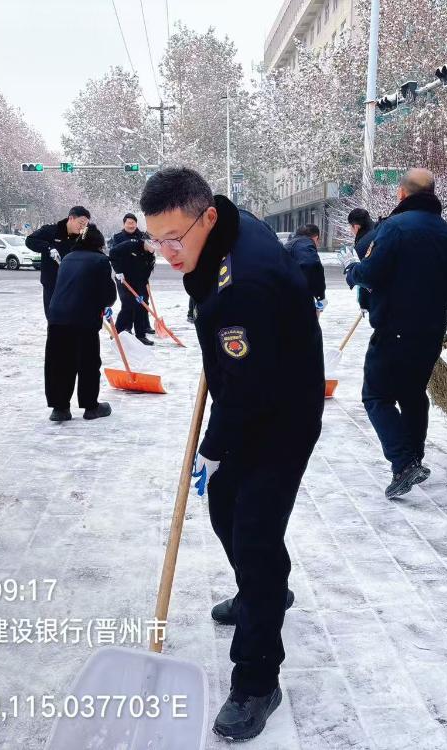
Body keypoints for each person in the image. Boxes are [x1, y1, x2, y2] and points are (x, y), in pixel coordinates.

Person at [140, 168, 324, 742]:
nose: (167, 253)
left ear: (208, 217)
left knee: (253, 534)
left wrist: (212, 449)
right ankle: (261, 589)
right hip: (255, 387)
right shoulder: (229, 230)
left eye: (177, 239)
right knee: (224, 508)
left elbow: (246, 393)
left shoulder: (240, 284)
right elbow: (235, 361)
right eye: (157, 240)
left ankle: (256, 680)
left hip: (282, 417)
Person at [337, 168, 447, 497]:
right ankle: (414, 459)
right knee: (412, 395)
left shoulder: (393, 229)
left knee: (376, 395)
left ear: (402, 195)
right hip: (431, 331)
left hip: (394, 329)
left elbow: (371, 274)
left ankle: (404, 463)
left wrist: (352, 270)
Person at [44, 223, 116, 422]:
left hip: (57, 318)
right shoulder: (101, 261)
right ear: (99, 244)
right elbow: (108, 295)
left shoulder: (67, 258)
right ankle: (91, 407)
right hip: (84, 320)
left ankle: (59, 409)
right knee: (88, 363)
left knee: (58, 363)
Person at [26, 206, 91, 317]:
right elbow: (30, 240)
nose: (83, 227)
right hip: (52, 283)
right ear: (71, 218)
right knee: (54, 318)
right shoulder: (51, 230)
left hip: (73, 284)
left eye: (85, 224)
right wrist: (48, 248)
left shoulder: (83, 234)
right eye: (80, 223)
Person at [108, 213, 156, 345]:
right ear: (124, 224)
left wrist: (147, 274)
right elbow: (112, 254)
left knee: (141, 305)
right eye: (128, 223)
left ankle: (141, 335)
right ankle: (119, 332)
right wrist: (118, 272)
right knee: (128, 304)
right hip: (124, 278)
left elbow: (149, 259)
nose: (131, 225)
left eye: (133, 223)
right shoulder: (122, 240)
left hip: (140, 279)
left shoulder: (145, 239)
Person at [284, 224, 326, 314]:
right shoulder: (305, 244)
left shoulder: (289, 245)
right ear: (316, 237)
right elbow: (312, 266)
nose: (317, 244)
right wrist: (320, 297)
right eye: (318, 241)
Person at [347, 207, 377, 313]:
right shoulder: (380, 229)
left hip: (382, 298)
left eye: (350, 227)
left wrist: (350, 266)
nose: (351, 232)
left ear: (356, 226)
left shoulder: (363, 244)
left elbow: (362, 276)